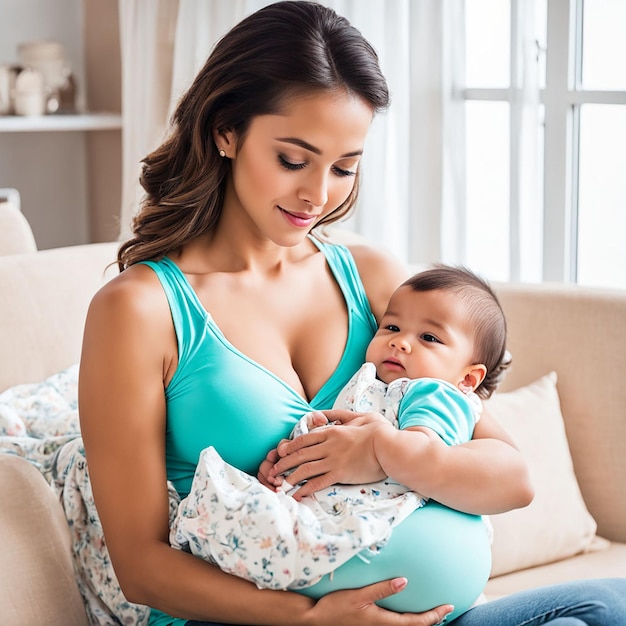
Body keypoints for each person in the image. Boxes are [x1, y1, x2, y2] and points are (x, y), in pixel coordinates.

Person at [78, 2, 626, 626]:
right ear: (225, 130)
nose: (318, 195)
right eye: (293, 160)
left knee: (610, 605)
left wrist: (385, 454)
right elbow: (140, 566)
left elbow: (509, 475)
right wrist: (310, 620)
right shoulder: (140, 309)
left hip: (430, 617)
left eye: (344, 167)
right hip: (260, 622)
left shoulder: (372, 279)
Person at [169, 265, 507, 620]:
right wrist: (286, 465)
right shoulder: (375, 385)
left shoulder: (434, 393)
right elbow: (333, 445)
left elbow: (421, 449)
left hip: (388, 527)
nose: (400, 341)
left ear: (468, 377)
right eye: (391, 327)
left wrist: (377, 445)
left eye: (430, 338)